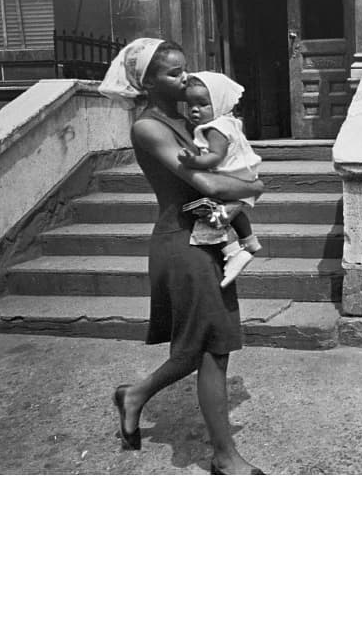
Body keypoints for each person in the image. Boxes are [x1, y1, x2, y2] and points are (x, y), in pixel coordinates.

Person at [98, 37, 266, 474]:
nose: (186, 77)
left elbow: (225, 159)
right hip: (183, 242)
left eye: (185, 68)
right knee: (212, 348)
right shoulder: (149, 128)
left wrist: (241, 189)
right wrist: (254, 187)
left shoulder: (193, 116)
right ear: (148, 82)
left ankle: (134, 395)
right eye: (174, 73)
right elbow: (207, 184)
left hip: (209, 237)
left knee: (206, 346)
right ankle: (225, 458)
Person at [178, 72, 263, 288]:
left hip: (228, 176)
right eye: (190, 105)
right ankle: (249, 242)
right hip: (242, 174)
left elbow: (215, 156)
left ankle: (233, 252)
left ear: (219, 103)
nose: (194, 110)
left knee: (214, 215)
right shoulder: (228, 122)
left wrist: (193, 161)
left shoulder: (215, 129)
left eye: (203, 104)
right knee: (233, 213)